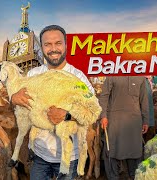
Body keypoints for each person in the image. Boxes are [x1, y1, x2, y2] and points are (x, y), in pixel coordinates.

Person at [11, 25, 94, 180]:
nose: (53, 49)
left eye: (58, 43)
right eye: (47, 44)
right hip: (38, 155)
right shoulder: (33, 74)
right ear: (42, 47)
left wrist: (66, 115)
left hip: (67, 158)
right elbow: (19, 106)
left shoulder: (79, 78)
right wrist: (13, 98)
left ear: (66, 45)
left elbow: (91, 111)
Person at [98, 76, 149, 180]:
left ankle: (134, 176)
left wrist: (146, 120)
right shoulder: (112, 74)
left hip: (134, 122)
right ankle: (113, 177)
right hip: (114, 121)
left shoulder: (141, 77)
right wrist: (103, 116)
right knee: (113, 150)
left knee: (134, 150)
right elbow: (104, 96)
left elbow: (144, 99)